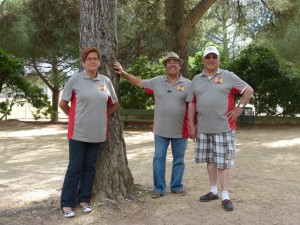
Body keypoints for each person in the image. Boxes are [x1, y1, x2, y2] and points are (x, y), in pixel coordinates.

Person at [114, 52, 191, 198]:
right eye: (169, 62)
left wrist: (194, 125)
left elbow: (194, 105)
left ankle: (176, 186)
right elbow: (139, 82)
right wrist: (123, 73)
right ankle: (159, 188)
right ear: (165, 66)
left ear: (180, 65)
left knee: (179, 160)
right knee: (158, 158)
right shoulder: (157, 81)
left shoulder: (188, 84)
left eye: (175, 62)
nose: (172, 64)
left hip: (181, 129)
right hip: (160, 129)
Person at [186, 46, 253, 211]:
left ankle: (225, 196)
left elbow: (248, 90)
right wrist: (192, 124)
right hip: (203, 128)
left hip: (223, 127)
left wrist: (239, 108)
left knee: (222, 163)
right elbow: (192, 103)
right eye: (207, 57)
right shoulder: (196, 79)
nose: (210, 60)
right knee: (210, 160)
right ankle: (213, 191)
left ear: (218, 60)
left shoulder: (227, 76)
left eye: (214, 57)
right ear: (203, 60)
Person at [59, 47, 119, 218]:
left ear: (99, 62)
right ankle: (67, 203)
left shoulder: (105, 81)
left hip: (98, 132)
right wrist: (73, 117)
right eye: (89, 59)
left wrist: (103, 115)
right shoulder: (75, 79)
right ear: (83, 62)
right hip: (78, 131)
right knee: (75, 167)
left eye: (95, 58)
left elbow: (114, 103)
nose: (92, 61)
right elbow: (63, 104)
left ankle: (84, 200)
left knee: (90, 167)